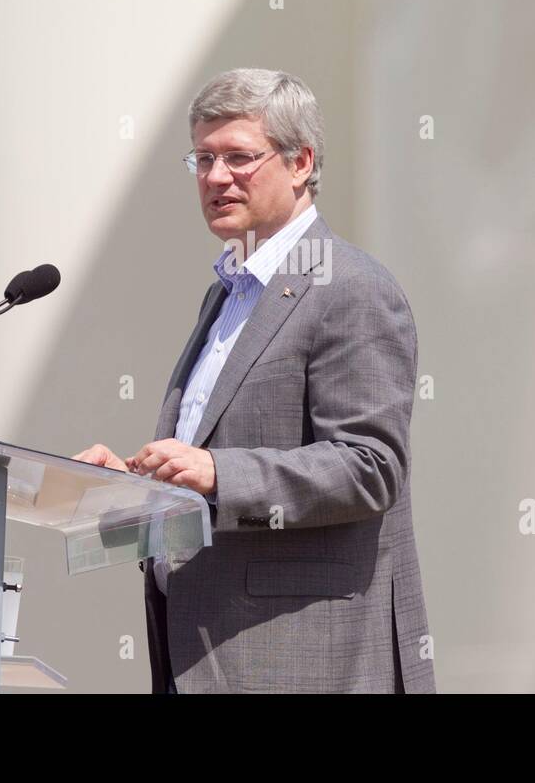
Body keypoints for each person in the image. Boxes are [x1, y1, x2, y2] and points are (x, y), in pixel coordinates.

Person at [74, 67, 434, 693]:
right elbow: (210, 467)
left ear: (301, 162)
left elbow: (370, 466)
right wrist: (127, 487)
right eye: (203, 158)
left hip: (298, 661)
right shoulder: (228, 295)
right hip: (203, 653)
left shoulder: (351, 288)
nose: (215, 179)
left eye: (239, 158)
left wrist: (218, 472)